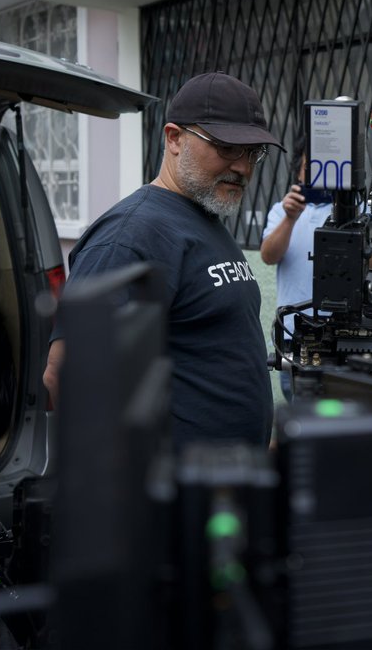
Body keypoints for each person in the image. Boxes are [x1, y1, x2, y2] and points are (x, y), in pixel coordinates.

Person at [43, 72, 282, 448]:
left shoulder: (203, 218)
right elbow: (66, 375)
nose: (243, 167)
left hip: (230, 476)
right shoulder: (130, 236)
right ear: (174, 138)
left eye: (253, 153)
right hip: (173, 482)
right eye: (227, 148)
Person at [260, 140, 333, 400]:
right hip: (293, 332)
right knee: (298, 406)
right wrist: (290, 218)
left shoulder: (356, 211)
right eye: (309, 167)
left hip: (339, 333)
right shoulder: (281, 210)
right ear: (299, 171)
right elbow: (268, 256)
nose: (316, 174)